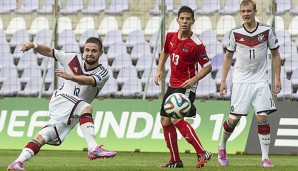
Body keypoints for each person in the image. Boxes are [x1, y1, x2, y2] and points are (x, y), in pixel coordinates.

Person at [7, 37, 117, 171]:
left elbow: (89, 80)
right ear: (83, 51)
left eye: (94, 51)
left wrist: (71, 77)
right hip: (61, 99)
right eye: (87, 50)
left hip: (73, 110)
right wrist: (34, 45)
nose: (89, 53)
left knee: (44, 136)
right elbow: (50, 51)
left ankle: (16, 163)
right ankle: (93, 148)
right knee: (87, 107)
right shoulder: (72, 58)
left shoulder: (103, 73)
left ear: (101, 53)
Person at [217, 0, 282, 168]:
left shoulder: (267, 31)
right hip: (241, 81)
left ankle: (265, 158)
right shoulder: (235, 33)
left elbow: (275, 54)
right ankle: (222, 146)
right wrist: (223, 81)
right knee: (234, 120)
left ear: (255, 11)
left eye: (248, 11)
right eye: (243, 11)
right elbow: (228, 57)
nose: (245, 14)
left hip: (260, 80)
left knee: (262, 117)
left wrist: (278, 79)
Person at [154, 6, 212, 168]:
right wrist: (159, 69)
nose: (185, 21)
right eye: (182, 18)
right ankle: (175, 160)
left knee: (175, 118)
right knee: (165, 121)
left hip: (187, 85)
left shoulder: (196, 44)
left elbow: (207, 67)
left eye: (188, 19)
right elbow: (165, 52)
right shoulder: (170, 36)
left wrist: (194, 79)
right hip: (172, 85)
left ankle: (202, 152)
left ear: (193, 21)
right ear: (177, 20)